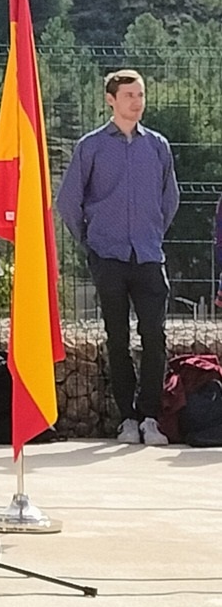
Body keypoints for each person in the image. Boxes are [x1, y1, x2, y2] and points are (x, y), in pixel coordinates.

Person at [56, 69, 180, 446]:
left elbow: (169, 198)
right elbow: (68, 200)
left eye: (140, 94)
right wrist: (91, 243)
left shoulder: (157, 145)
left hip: (147, 255)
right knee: (117, 338)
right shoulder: (91, 146)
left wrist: (153, 234)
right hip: (108, 256)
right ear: (111, 99)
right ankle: (127, 417)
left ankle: (150, 418)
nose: (137, 102)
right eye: (129, 95)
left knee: (155, 338)